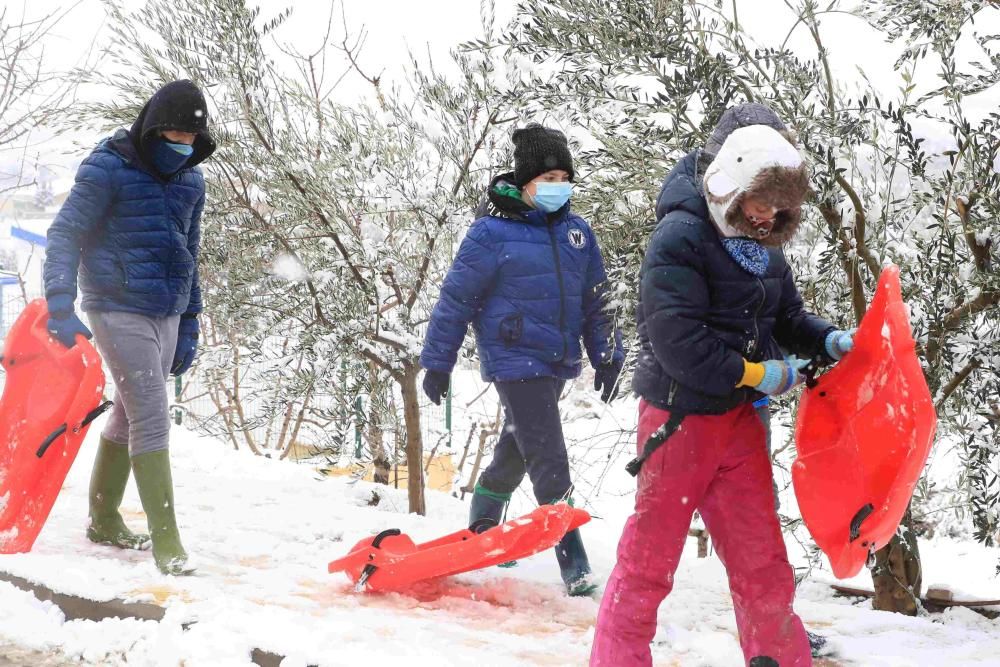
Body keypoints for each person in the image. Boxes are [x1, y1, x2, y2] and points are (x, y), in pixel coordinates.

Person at [590, 104, 855, 666]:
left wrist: (826, 339)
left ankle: (778, 658)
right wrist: (757, 374)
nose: (768, 217)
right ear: (728, 180)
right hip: (680, 420)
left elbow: (785, 315)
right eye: (761, 201)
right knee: (649, 562)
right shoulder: (681, 235)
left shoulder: (764, 239)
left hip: (737, 422)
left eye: (781, 207)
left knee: (762, 559)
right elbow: (677, 340)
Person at [420, 123, 625, 596]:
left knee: (519, 445)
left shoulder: (578, 234)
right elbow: (457, 299)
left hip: (556, 358)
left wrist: (608, 353)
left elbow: (598, 299)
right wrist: (438, 361)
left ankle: (483, 527)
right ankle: (572, 558)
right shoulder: (491, 233)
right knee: (549, 453)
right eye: (547, 178)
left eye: (563, 177)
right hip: (513, 356)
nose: (558, 186)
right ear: (524, 181)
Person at [43, 80, 216, 575]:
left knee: (129, 410)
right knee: (152, 413)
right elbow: (65, 233)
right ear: (151, 128)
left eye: (189, 140)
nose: (180, 147)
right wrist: (60, 301)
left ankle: (102, 518)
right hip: (114, 304)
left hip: (166, 308)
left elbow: (190, 252)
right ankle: (169, 543)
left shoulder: (191, 181)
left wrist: (190, 320)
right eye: (173, 136)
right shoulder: (108, 168)